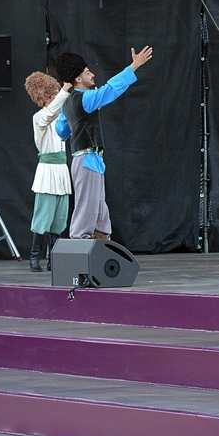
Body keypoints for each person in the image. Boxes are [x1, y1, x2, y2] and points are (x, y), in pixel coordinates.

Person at [56, 46, 154, 240]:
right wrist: (134, 66)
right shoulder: (86, 98)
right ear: (78, 78)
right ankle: (79, 245)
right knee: (86, 209)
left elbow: (61, 131)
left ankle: (101, 241)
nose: (92, 75)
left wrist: (76, 120)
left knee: (99, 208)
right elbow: (110, 90)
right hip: (87, 159)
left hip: (88, 160)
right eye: (87, 72)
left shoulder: (68, 103)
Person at [23, 72, 73, 271]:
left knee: (60, 219)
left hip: (61, 171)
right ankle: (34, 256)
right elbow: (50, 113)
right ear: (43, 98)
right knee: (43, 215)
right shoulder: (39, 118)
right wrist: (65, 90)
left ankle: (54, 258)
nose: (55, 99)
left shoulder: (61, 118)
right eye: (52, 96)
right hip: (47, 172)